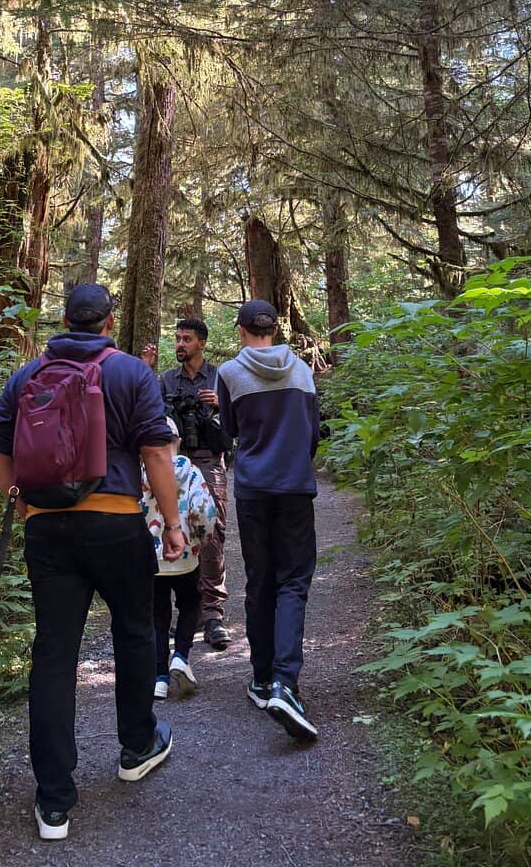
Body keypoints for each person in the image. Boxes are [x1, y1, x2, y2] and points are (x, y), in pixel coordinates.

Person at [0, 284, 187, 842]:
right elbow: (154, 453)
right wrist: (172, 525)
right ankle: (137, 745)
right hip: (117, 522)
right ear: (109, 322)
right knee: (135, 632)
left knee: (53, 653)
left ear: (64, 318)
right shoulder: (130, 373)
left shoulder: (27, 375)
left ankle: (54, 802)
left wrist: (21, 503)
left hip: (47, 528)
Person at [216, 299, 321, 743]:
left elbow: (227, 434)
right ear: (275, 331)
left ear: (242, 330)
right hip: (296, 486)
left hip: (254, 490)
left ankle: (261, 680)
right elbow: (313, 432)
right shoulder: (302, 372)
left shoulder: (229, 374)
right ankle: (285, 681)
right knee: (293, 581)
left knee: (260, 579)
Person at [141, 318, 232, 650]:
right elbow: (149, 410)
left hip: (209, 458)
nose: (180, 344)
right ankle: (183, 610)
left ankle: (213, 614)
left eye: (187, 339)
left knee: (211, 531)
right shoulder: (167, 380)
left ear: (202, 343)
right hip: (173, 461)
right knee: (170, 527)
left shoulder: (220, 376)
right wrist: (147, 372)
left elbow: (238, 420)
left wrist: (221, 404)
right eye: (177, 338)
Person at [141, 416, 217, 701]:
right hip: (186, 556)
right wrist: (200, 540)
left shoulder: (140, 473)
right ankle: (181, 657)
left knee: (157, 617)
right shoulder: (191, 471)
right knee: (189, 606)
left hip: (152, 559)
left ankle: (159, 677)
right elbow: (204, 512)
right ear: (178, 442)